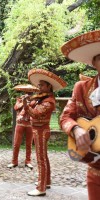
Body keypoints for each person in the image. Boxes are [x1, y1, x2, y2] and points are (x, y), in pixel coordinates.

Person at [60, 30, 100, 200]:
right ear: (94, 62)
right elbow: (65, 117)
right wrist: (76, 130)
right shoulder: (82, 88)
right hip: (96, 170)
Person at [23, 69, 67, 196]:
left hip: (41, 131)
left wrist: (26, 105)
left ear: (49, 86)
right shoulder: (41, 99)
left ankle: (40, 188)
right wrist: (27, 101)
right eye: (39, 85)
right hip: (39, 130)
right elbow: (33, 106)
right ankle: (46, 182)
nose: (39, 87)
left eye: (42, 85)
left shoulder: (49, 101)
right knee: (44, 157)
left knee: (40, 159)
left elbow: (35, 114)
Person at [7, 84, 39, 169]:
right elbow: (16, 107)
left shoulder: (35, 101)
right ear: (24, 92)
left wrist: (29, 103)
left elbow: (35, 111)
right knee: (16, 144)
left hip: (29, 124)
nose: (29, 94)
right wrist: (24, 102)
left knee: (29, 144)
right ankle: (14, 162)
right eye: (27, 93)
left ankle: (28, 161)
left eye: (30, 93)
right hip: (20, 123)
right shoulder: (19, 100)